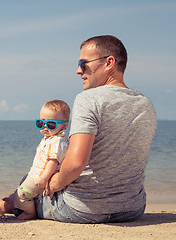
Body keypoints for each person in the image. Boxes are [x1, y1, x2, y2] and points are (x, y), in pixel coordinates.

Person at [35, 35, 157, 223]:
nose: (78, 71)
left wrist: (55, 182)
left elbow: (75, 163)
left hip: (83, 208)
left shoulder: (88, 99)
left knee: (28, 187)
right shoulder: (145, 104)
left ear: (109, 63)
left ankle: (2, 205)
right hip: (132, 209)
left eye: (83, 64)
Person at [12, 100, 70, 220]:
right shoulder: (50, 138)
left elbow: (53, 162)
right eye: (40, 122)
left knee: (22, 194)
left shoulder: (57, 141)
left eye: (51, 124)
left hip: (42, 177)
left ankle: (30, 212)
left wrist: (44, 179)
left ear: (64, 125)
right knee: (19, 192)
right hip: (36, 175)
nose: (44, 127)